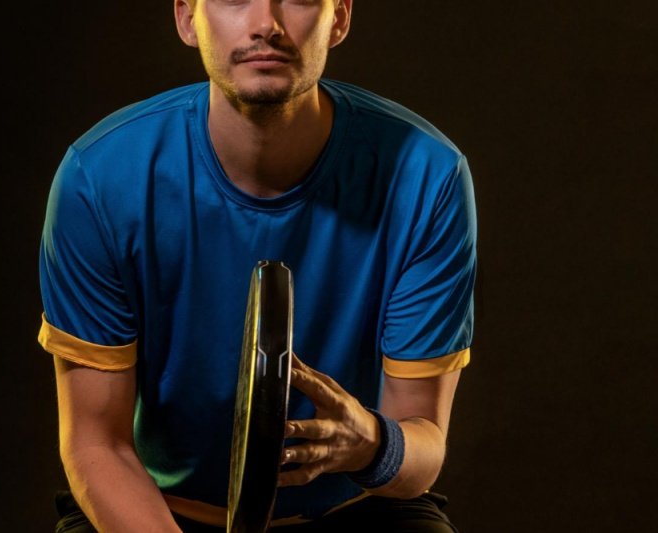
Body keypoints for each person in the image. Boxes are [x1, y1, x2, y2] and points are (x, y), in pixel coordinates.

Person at [37, 0, 477, 531]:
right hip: (157, 509)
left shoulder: (428, 176)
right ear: (186, 18)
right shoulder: (100, 177)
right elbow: (96, 443)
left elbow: (421, 456)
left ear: (338, 18)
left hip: (355, 508)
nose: (265, 24)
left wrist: (372, 443)